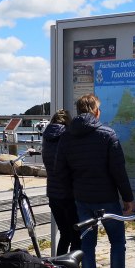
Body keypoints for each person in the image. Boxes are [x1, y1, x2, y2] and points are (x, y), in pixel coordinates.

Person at [53, 94, 135, 268]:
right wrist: (128, 198)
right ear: (96, 111)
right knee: (117, 242)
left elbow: (59, 171)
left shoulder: (66, 136)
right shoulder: (107, 134)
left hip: (82, 199)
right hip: (108, 199)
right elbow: (118, 171)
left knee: (87, 245)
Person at [41, 109, 81, 256]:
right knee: (76, 236)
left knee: (65, 234)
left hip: (53, 193)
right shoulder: (68, 137)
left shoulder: (46, 138)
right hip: (69, 194)